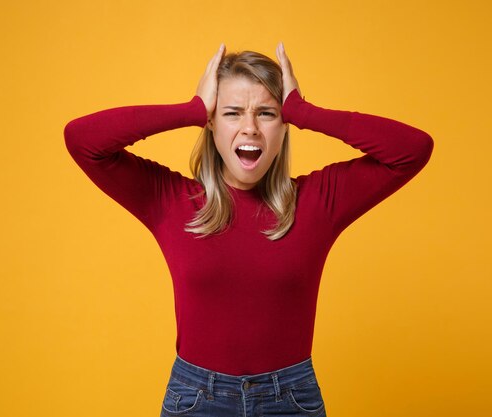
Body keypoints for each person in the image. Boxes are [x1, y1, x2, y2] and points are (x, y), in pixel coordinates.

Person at [64, 42, 433, 417]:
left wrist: (304, 111)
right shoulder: (171, 200)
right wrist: (190, 109)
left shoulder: (316, 202)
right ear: (212, 122)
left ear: (284, 124)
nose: (250, 128)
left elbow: (413, 149)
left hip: (291, 400)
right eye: (232, 112)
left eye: (267, 113)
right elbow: (82, 140)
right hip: (196, 400)